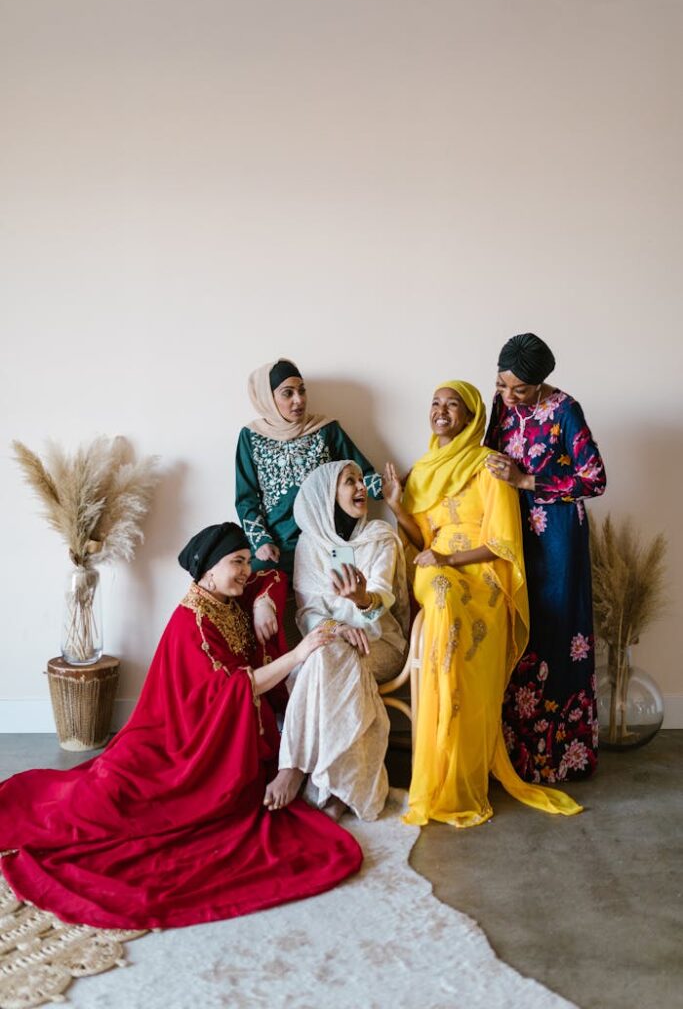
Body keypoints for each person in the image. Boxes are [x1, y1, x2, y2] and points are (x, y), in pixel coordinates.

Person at [0, 523, 362, 929]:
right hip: (171, 745)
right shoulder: (194, 623)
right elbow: (232, 692)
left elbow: (273, 575)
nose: (246, 570)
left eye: (245, 560)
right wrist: (299, 654)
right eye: (236, 562)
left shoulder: (228, 600)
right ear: (208, 570)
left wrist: (264, 603)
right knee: (103, 804)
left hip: (201, 739)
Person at [384, 380, 582, 827]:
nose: (441, 411)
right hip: (438, 574)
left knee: (452, 599)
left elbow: (501, 543)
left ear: (472, 416)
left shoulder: (489, 466)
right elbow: (421, 544)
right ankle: (438, 764)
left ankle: (459, 769)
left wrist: (450, 557)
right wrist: (398, 508)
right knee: (439, 590)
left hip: (483, 577)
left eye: (453, 405)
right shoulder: (422, 471)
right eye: (435, 403)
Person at [484, 334, 606, 782]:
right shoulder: (501, 404)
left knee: (556, 633)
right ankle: (512, 754)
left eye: (519, 389)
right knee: (520, 631)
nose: (509, 396)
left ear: (541, 383)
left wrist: (528, 481)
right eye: (502, 386)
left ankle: (559, 759)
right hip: (511, 531)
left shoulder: (565, 410)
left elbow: (593, 479)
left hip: (557, 539)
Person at [263, 461, 409, 822]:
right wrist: (338, 628)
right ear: (326, 494)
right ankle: (340, 786)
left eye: (361, 480)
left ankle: (293, 765)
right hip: (332, 645)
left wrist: (361, 600)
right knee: (327, 652)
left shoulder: (379, 536)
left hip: (381, 645)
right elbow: (307, 611)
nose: (361, 487)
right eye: (349, 482)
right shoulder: (311, 546)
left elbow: (381, 594)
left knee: (325, 655)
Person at [235, 358, 383, 578]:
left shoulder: (326, 430)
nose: (298, 400)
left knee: (347, 594)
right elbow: (246, 498)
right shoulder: (251, 436)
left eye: (302, 391)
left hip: (329, 540)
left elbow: (363, 474)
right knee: (258, 592)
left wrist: (389, 488)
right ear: (269, 397)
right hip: (278, 546)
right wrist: (262, 541)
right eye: (288, 393)